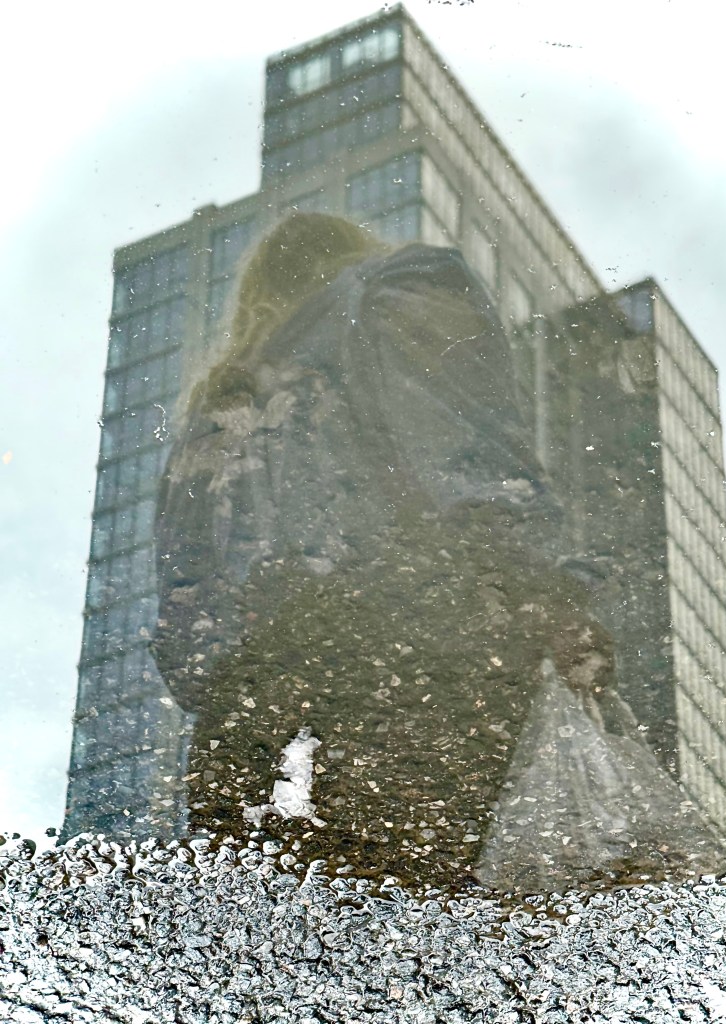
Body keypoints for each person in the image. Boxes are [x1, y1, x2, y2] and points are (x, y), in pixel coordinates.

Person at [152, 213, 627, 889]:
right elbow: (463, 458)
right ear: (351, 255)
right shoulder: (392, 292)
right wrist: (540, 595)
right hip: (405, 653)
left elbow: (186, 625)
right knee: (429, 912)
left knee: (278, 933)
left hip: (248, 714)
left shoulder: (216, 410)